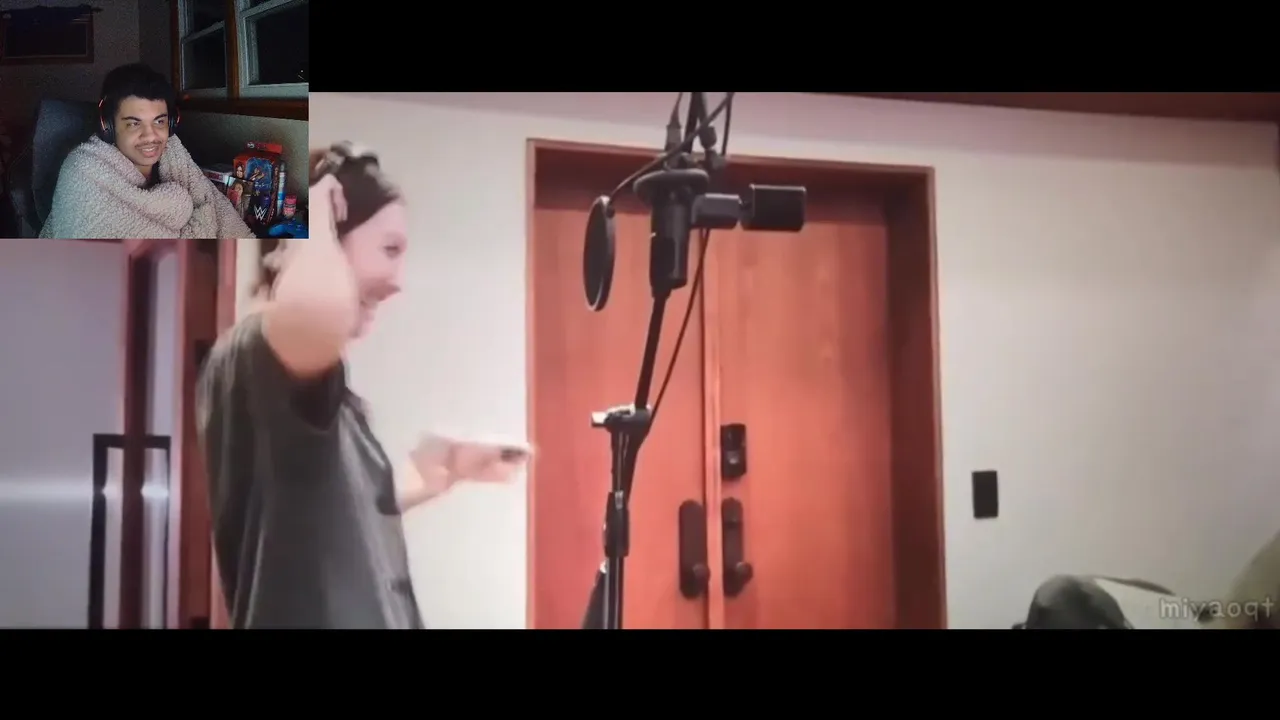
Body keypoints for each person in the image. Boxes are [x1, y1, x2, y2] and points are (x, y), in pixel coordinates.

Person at [195, 142, 529, 629]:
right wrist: (310, 215)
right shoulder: (254, 360)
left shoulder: (321, 396)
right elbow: (316, 309)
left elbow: (332, 518)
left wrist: (433, 474)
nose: (397, 282)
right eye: (389, 249)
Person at [39, 63, 251, 239]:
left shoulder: (174, 153)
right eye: (134, 124)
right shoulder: (82, 171)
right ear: (107, 125)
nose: (151, 136)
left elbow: (215, 205)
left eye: (159, 121)